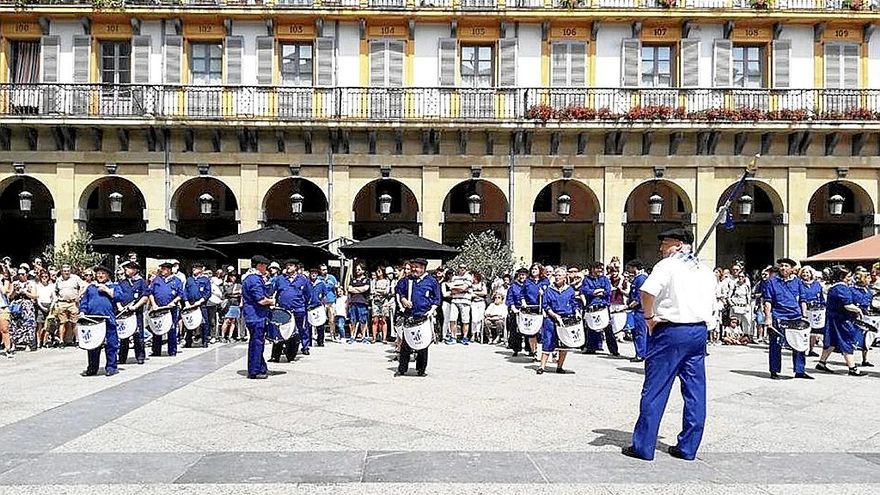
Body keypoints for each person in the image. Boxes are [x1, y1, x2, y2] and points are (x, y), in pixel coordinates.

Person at [622, 228, 716, 462]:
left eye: (664, 244)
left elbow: (646, 291)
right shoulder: (705, 270)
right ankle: (688, 447)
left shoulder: (667, 266)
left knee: (656, 388)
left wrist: (648, 317)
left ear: (677, 244)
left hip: (671, 331)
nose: (661, 249)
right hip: (698, 330)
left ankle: (643, 446)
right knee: (695, 391)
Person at [763, 258, 812, 380]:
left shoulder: (798, 282)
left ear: (792, 269)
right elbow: (768, 301)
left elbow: (803, 300)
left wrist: (804, 316)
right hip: (779, 316)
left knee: (799, 344)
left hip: (796, 316)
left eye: (786, 266)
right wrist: (768, 318)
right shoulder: (772, 282)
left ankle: (800, 370)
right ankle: (774, 371)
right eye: (781, 266)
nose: (783, 268)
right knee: (776, 344)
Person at [394, 257, 440, 377]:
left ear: (423, 268)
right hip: (409, 315)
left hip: (424, 316)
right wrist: (403, 300)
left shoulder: (431, 281)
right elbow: (399, 291)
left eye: (417, 267)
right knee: (405, 344)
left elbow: (437, 299)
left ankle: (421, 369)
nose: (414, 269)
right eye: (413, 266)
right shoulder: (406, 280)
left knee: (423, 344)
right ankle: (402, 369)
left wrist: (431, 311)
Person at [815, 266, 865, 377]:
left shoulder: (834, 287)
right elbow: (847, 305)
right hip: (841, 320)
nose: (851, 278)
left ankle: (821, 363)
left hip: (833, 318)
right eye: (848, 276)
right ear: (842, 277)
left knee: (832, 341)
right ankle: (852, 368)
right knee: (846, 341)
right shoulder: (842, 288)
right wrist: (858, 310)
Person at [79, 265, 120, 377]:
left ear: (108, 275)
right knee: (92, 346)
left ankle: (111, 367)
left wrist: (107, 290)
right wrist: (82, 311)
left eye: (103, 273)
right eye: (98, 273)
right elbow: (84, 301)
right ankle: (92, 368)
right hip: (93, 320)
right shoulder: (91, 287)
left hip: (108, 320)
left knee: (111, 345)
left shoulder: (113, 286)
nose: (100, 275)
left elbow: (119, 297)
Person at [538, 266, 579, 374]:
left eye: (559, 275)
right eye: (555, 275)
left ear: (565, 277)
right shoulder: (549, 289)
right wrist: (554, 315)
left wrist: (577, 312)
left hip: (566, 319)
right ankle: (542, 366)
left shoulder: (570, 290)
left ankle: (559, 367)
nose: (557, 277)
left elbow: (574, 303)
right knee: (548, 341)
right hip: (551, 319)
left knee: (563, 343)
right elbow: (545, 305)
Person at [242, 255, 275, 379]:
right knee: (257, 343)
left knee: (257, 342)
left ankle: (261, 367)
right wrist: (272, 301)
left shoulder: (252, 278)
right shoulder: (254, 279)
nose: (266, 268)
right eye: (265, 265)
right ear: (260, 265)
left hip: (253, 315)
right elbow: (261, 300)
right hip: (256, 316)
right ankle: (255, 370)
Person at [270, 260, 310, 363]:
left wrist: (301, 305)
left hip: (298, 310)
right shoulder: (280, 279)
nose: (288, 267)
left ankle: (291, 355)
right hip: (283, 310)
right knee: (279, 332)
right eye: (287, 265)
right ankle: (275, 356)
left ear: (296, 267)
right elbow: (274, 292)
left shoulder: (303, 280)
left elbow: (307, 294)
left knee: (295, 332)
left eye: (291, 265)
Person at [581, 261, 619, 356]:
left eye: (601, 268)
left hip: (603, 306)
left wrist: (600, 291)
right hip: (592, 306)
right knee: (591, 327)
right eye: (598, 268)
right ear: (592, 269)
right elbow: (585, 290)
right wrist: (595, 292)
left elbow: (608, 291)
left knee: (608, 328)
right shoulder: (586, 279)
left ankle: (614, 350)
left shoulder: (604, 279)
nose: (600, 270)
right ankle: (591, 348)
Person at [116, 261, 149, 365]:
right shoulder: (122, 282)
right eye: (126, 268)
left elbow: (145, 297)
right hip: (124, 313)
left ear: (135, 270)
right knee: (124, 335)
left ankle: (140, 356)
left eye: (128, 268)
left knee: (138, 334)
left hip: (136, 312)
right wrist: (120, 307)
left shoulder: (141, 282)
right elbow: (117, 296)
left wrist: (135, 306)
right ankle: (122, 357)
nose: (126, 270)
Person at [149, 261, 183, 357]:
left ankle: (172, 351)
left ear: (169, 270)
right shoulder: (156, 280)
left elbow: (180, 294)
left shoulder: (177, 280)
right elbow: (150, 292)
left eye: (163, 269)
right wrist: (153, 304)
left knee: (171, 328)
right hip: (158, 308)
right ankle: (156, 350)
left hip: (171, 308)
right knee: (157, 328)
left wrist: (174, 302)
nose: (161, 270)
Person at [53, 264, 83, 347]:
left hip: (73, 303)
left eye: (68, 271)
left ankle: (77, 341)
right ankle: (61, 341)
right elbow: (55, 291)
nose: (66, 272)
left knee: (74, 322)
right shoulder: (58, 280)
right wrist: (56, 301)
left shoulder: (76, 278)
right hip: (62, 303)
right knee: (62, 323)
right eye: (64, 271)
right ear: (61, 271)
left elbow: (83, 287)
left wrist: (79, 295)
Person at [850, 267, 874, 368]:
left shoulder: (869, 291)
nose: (870, 280)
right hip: (855, 316)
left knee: (867, 337)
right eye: (868, 278)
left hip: (866, 315)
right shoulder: (852, 290)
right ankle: (850, 359)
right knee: (853, 338)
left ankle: (865, 359)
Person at [184, 262, 212, 348]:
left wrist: (200, 301)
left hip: (201, 303)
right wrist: (186, 301)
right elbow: (185, 291)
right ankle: (188, 341)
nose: (194, 269)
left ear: (200, 269)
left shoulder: (205, 279)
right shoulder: (189, 279)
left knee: (204, 323)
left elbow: (208, 292)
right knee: (189, 322)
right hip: (191, 303)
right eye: (193, 268)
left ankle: (205, 340)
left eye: (196, 268)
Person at [626, 259, 648, 363]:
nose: (629, 270)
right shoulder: (637, 278)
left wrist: (632, 304)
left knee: (640, 332)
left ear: (635, 267)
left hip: (640, 311)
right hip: (636, 309)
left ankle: (641, 354)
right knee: (635, 332)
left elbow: (640, 295)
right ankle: (640, 352)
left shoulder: (641, 278)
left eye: (630, 268)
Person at [799, 266, 825, 357]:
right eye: (803, 272)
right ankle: (803, 348)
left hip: (816, 309)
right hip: (804, 308)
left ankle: (811, 349)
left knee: (814, 331)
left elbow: (821, 296)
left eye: (807, 272)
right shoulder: (799, 284)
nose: (805, 274)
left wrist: (823, 305)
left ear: (811, 274)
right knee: (805, 329)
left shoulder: (817, 284)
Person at [10, 267, 37, 352]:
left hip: (27, 306)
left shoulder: (31, 283)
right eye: (19, 274)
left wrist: (25, 292)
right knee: (14, 325)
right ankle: (14, 344)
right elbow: (10, 296)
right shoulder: (14, 283)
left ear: (27, 274)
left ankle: (28, 344)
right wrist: (15, 291)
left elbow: (35, 296)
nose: (20, 276)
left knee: (28, 325)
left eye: (23, 274)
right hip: (16, 306)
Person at [506, 267, 529, 357]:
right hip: (516, 309)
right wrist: (513, 307)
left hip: (527, 309)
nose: (522, 276)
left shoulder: (529, 285)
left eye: (523, 274)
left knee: (528, 330)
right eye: (520, 274)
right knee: (515, 330)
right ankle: (515, 349)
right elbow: (510, 298)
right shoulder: (513, 286)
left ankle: (529, 349)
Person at [449, 264, 473, 344]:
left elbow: (464, 287)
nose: (462, 269)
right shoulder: (454, 277)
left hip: (465, 301)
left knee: (465, 320)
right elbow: (451, 289)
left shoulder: (469, 277)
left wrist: (456, 288)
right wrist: (461, 289)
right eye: (460, 267)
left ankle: (465, 337)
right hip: (454, 300)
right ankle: (453, 337)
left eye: (464, 268)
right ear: (458, 268)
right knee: (452, 319)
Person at [347, 263, 370, 343]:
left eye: (359, 269)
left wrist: (355, 289)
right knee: (353, 320)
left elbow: (365, 289)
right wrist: (359, 289)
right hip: (353, 302)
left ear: (363, 270)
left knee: (363, 320)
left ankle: (363, 337)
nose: (357, 271)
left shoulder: (366, 280)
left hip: (362, 302)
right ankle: (352, 336)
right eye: (356, 269)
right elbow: (349, 289)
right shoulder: (352, 279)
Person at [34, 270, 56, 349]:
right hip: (40, 306)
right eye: (42, 276)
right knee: (39, 325)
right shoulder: (37, 286)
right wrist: (42, 307)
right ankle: (38, 342)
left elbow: (54, 297)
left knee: (48, 326)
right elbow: (37, 298)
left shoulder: (51, 286)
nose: (44, 278)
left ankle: (45, 342)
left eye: (46, 276)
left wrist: (51, 306)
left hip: (49, 305)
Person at [308, 266, 326, 349]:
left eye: (315, 273)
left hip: (318, 306)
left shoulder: (321, 284)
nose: (313, 275)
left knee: (320, 324)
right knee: (308, 325)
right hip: (309, 306)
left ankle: (320, 341)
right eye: (312, 273)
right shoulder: (307, 283)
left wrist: (323, 303)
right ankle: (309, 342)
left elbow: (324, 295)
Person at [220, 272, 242, 342]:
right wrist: (236, 292)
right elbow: (227, 292)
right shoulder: (226, 284)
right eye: (231, 276)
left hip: (236, 303)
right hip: (229, 303)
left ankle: (230, 336)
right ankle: (223, 336)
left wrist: (235, 293)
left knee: (233, 320)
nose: (233, 278)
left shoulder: (238, 285)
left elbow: (241, 293)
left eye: (234, 276)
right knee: (227, 320)